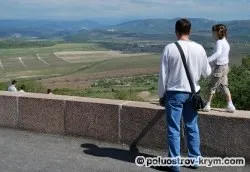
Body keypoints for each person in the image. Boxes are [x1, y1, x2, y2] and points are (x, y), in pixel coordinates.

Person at [158, 19, 211, 172]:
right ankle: (194, 159)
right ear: (190, 31)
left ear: (176, 31)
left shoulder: (169, 48)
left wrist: (162, 95)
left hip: (174, 93)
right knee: (192, 126)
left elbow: (163, 75)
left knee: (174, 129)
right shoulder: (199, 48)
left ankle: (174, 164)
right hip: (193, 93)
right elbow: (206, 73)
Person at [203, 24, 236, 113]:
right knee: (223, 85)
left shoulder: (219, 42)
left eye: (213, 33)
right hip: (225, 66)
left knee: (212, 86)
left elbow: (218, 53)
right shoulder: (226, 42)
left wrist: (207, 60)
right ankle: (230, 105)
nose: (212, 35)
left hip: (219, 67)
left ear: (217, 33)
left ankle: (207, 105)